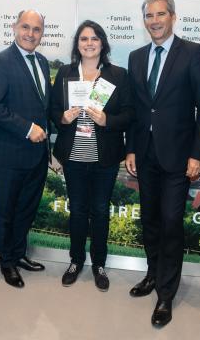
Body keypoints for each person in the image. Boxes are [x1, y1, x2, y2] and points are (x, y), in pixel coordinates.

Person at [124, 0, 200, 327]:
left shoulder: (193, 53)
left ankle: (165, 294)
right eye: (149, 15)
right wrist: (131, 148)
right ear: (144, 19)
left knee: (172, 222)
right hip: (145, 155)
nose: (155, 21)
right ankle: (152, 274)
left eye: (161, 14)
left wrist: (197, 153)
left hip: (179, 158)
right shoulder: (136, 57)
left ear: (173, 17)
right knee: (150, 221)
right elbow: (136, 111)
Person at [50, 20, 134, 291]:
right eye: (84, 39)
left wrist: (107, 120)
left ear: (102, 43)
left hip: (104, 158)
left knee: (99, 211)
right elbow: (52, 109)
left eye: (94, 38)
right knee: (77, 211)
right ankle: (75, 261)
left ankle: (99, 264)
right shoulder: (65, 73)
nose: (89, 43)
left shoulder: (118, 75)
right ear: (77, 44)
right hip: (73, 156)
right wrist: (62, 117)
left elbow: (130, 115)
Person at [0, 10, 50, 288]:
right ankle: (6, 261)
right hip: (8, 154)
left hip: (36, 157)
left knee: (26, 210)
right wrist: (27, 128)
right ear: (14, 27)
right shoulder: (0, 62)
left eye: (36, 29)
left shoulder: (43, 62)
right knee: (5, 211)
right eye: (25, 27)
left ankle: (19, 254)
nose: (30, 34)